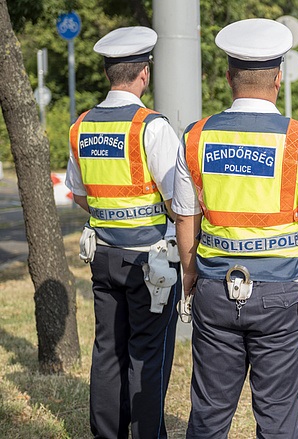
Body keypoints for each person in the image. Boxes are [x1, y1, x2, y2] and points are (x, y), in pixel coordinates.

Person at [172, 18, 298, 438]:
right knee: (276, 418)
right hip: (280, 298)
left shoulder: (195, 137)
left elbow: (185, 217)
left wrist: (190, 273)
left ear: (230, 77)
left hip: (215, 289)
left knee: (209, 414)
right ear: (279, 77)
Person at [64, 26, 181, 438]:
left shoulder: (82, 127)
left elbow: (80, 195)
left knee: (108, 351)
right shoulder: (151, 127)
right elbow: (176, 201)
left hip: (103, 256)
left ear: (110, 73)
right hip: (152, 263)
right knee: (147, 355)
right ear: (143, 74)